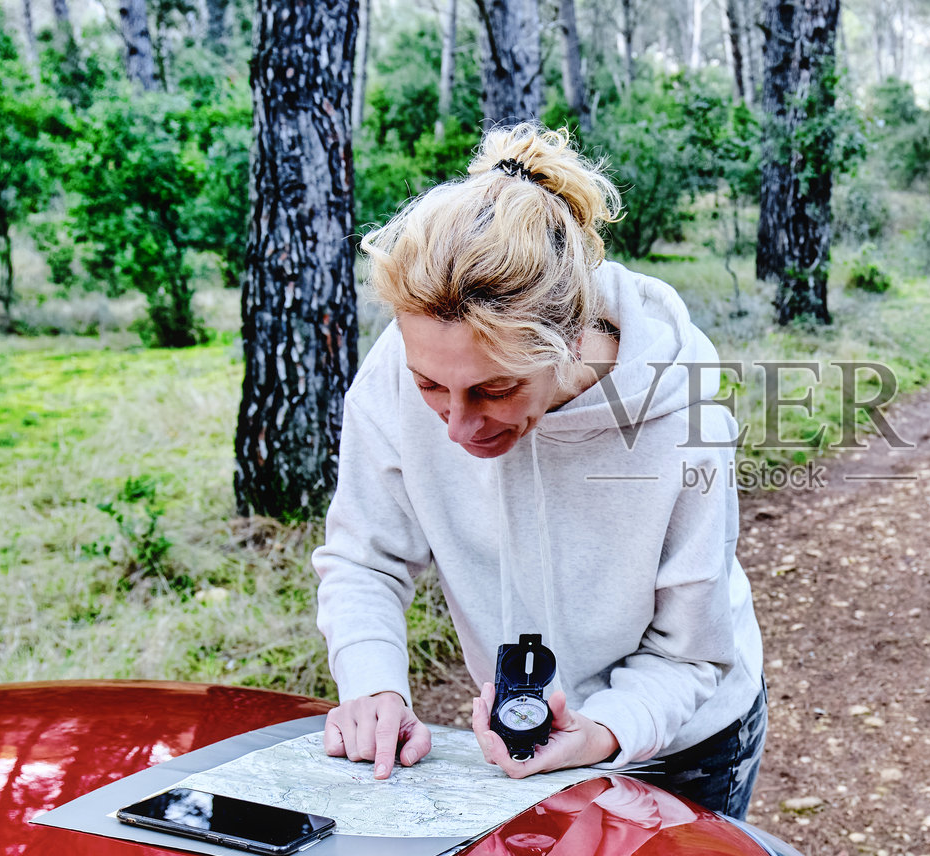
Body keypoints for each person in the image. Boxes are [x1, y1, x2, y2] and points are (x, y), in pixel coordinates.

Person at [312, 124, 765, 819]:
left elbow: (693, 655)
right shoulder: (403, 364)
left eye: (493, 391)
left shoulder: (683, 410)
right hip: (526, 741)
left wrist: (604, 730)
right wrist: (374, 686)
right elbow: (364, 558)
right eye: (430, 386)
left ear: (571, 340)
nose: (457, 428)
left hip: (684, 746)